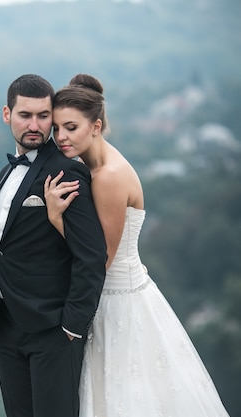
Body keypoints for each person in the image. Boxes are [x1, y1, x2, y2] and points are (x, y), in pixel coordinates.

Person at [44, 73, 230, 417]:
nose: (61, 137)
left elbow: (101, 259)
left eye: (71, 127)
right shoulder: (89, 165)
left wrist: (56, 218)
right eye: (56, 128)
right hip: (112, 297)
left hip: (119, 303)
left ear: (96, 125)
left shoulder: (109, 177)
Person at [0, 74, 107, 417]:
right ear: (7, 114)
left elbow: (92, 256)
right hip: (6, 327)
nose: (34, 125)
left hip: (52, 331)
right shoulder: (7, 173)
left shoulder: (67, 173)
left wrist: (71, 327)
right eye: (25, 115)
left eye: (43, 116)